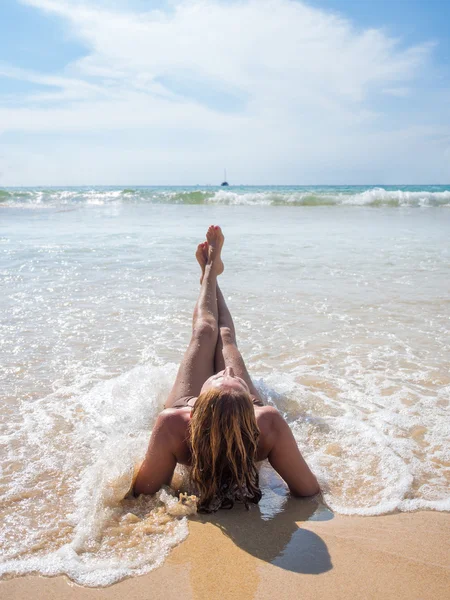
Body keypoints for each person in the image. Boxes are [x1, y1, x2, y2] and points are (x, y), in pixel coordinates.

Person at [134, 225, 319, 512]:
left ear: (194, 409)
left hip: (219, 412)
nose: (227, 372)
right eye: (230, 378)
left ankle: (210, 271)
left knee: (204, 333)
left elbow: (142, 493)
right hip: (231, 412)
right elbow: (308, 489)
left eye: (223, 377)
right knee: (220, 335)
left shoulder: (173, 423)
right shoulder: (267, 422)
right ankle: (211, 270)